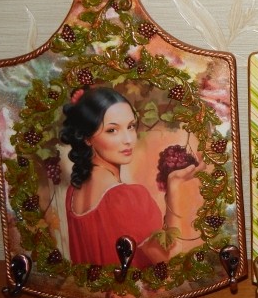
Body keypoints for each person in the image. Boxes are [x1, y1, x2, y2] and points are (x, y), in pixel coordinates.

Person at [59, 86, 190, 269]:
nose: (128, 139)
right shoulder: (128, 197)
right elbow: (170, 262)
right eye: (112, 130)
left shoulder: (74, 192)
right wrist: (174, 187)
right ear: (87, 138)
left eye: (130, 126)